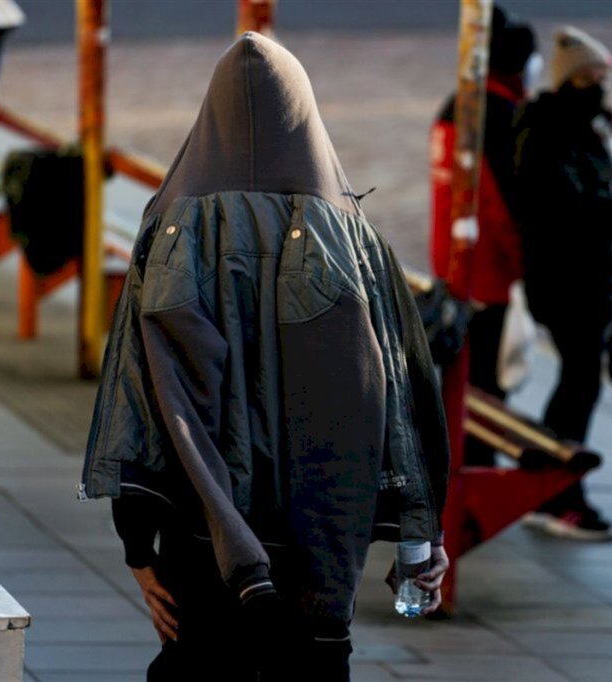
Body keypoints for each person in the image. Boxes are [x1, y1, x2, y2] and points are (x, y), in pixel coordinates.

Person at [79, 33, 451, 681]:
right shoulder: (357, 242)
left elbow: (147, 395)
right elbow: (391, 389)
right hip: (320, 534)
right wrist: (419, 533)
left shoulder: (171, 230)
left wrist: (138, 547)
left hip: (203, 532)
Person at [514, 27, 612, 541]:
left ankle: (552, 484)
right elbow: (568, 202)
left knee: (581, 380)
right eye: (587, 77)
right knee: (580, 382)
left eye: (602, 77)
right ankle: (557, 491)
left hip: (588, 275)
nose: (597, 86)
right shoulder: (551, 129)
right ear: (565, 79)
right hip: (566, 277)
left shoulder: (587, 125)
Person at [429, 6, 536, 466]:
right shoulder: (493, 113)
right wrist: (523, 266)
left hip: (454, 263)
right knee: (485, 383)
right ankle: (473, 468)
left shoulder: (460, 104)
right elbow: (501, 203)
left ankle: (468, 462)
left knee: (472, 379)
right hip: (487, 273)